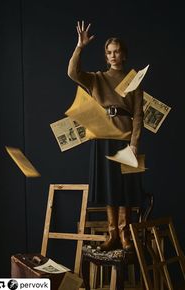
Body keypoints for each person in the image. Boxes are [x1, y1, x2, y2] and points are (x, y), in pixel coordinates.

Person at [68, 21, 144, 251]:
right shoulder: (97, 78)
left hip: (126, 140)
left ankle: (124, 235)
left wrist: (134, 144)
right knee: (111, 189)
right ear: (105, 56)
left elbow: (139, 115)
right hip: (103, 139)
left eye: (116, 51)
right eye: (108, 52)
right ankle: (113, 234)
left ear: (124, 54)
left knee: (127, 189)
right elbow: (72, 72)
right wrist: (80, 47)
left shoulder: (134, 79)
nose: (112, 55)